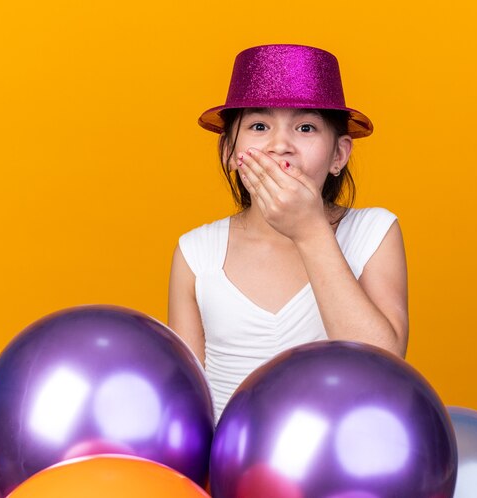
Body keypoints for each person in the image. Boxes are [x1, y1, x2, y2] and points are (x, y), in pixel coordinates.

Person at [168, 44, 408, 419]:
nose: (281, 145)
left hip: (342, 470)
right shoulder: (196, 253)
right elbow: (184, 404)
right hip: (229, 472)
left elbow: (383, 369)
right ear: (230, 150)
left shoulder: (374, 233)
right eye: (259, 126)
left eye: (306, 127)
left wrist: (311, 230)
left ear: (338, 156)